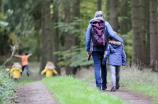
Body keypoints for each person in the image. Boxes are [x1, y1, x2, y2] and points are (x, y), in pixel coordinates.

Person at [86, 11, 123, 90]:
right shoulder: (106, 23)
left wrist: (88, 50)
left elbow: (88, 38)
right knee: (103, 66)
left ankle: (98, 86)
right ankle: (104, 85)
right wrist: (121, 40)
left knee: (96, 66)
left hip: (94, 48)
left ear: (95, 16)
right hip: (104, 48)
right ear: (103, 16)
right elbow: (112, 34)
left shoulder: (91, 24)